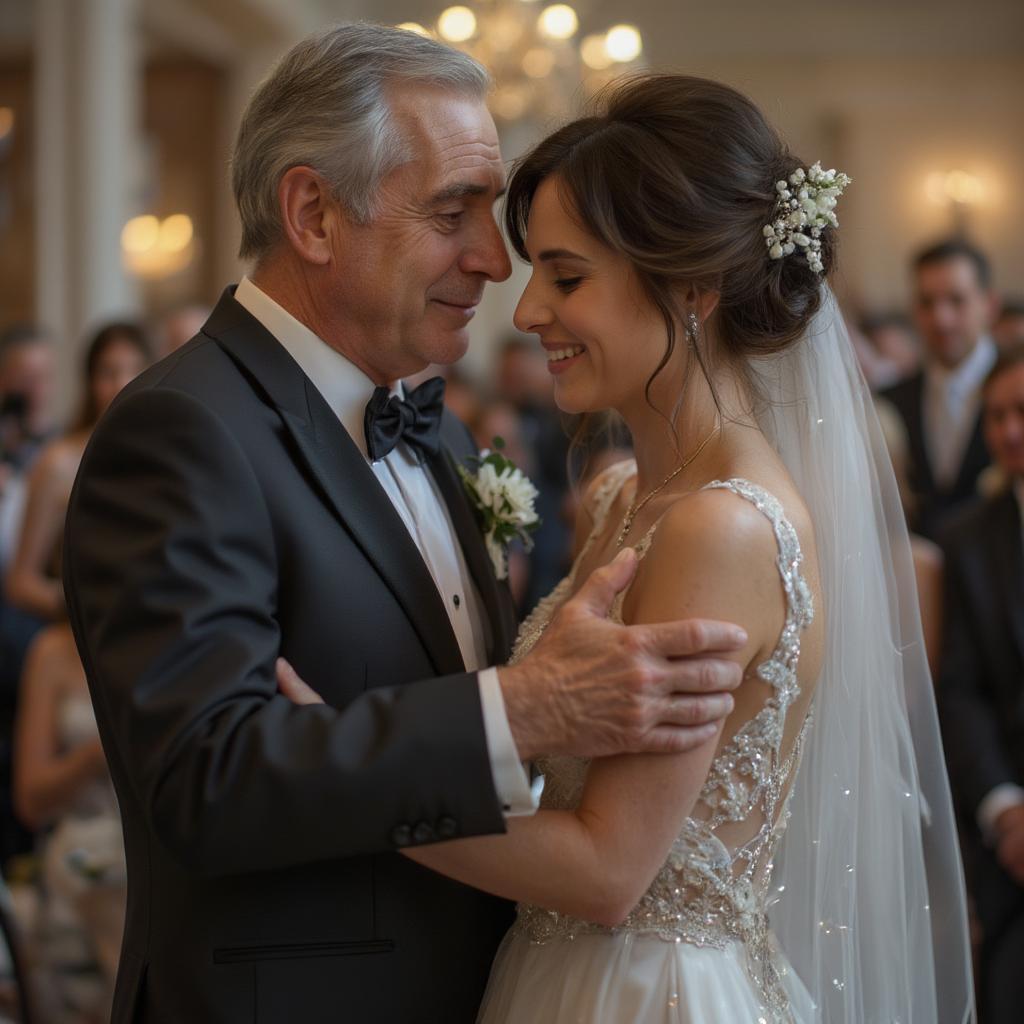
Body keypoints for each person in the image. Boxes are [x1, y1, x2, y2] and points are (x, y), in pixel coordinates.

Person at [61, 26, 744, 1024]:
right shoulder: (182, 428)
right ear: (312, 213)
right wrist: (519, 711)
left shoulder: (444, 437)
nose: (492, 258)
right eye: (452, 210)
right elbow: (200, 780)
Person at [280, 74, 974, 1023]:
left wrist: (351, 786)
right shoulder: (622, 496)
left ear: (692, 289)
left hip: (649, 991)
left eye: (567, 277)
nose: (526, 314)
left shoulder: (721, 527)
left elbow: (610, 870)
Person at [937, 344, 1024, 1024]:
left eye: (1022, 411)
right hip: (1009, 822)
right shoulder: (966, 541)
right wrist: (1004, 808)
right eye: (995, 416)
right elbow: (960, 692)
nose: (1009, 431)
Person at [13, 618, 125, 1023]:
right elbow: (30, 800)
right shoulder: (53, 649)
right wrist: (96, 753)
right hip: (80, 852)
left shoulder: (173, 637)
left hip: (153, 859)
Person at [5, 322, 150, 621]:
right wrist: (85, 609)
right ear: (90, 381)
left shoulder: (167, 456)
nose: (122, 382)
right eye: (107, 372)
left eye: (135, 368)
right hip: (79, 635)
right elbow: (21, 583)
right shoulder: (59, 462)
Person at [880, 239, 999, 538]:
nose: (941, 319)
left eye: (956, 301)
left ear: (989, 305)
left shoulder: (1014, 390)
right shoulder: (889, 402)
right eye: (927, 303)